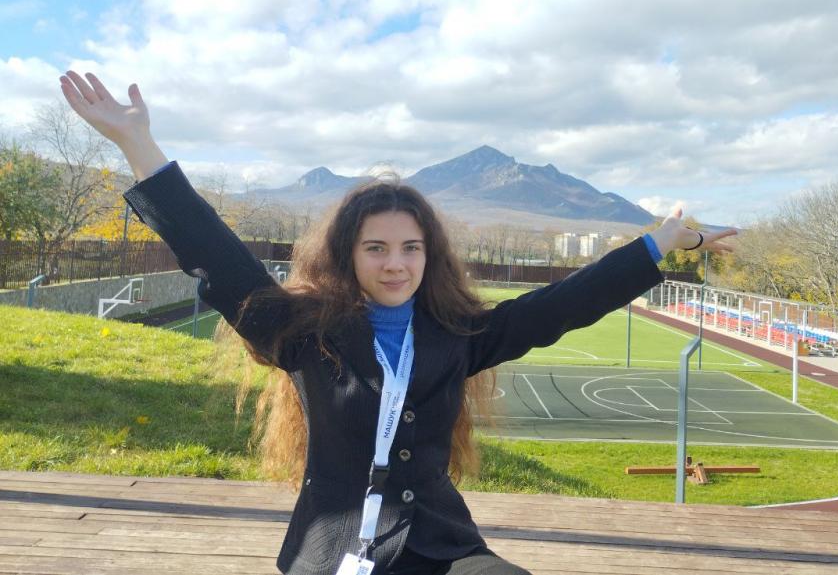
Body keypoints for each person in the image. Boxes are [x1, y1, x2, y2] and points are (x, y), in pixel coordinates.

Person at [59, 70, 736, 575]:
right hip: (334, 546)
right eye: (376, 248)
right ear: (348, 255)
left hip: (440, 544)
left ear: (428, 255)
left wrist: (659, 242)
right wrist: (138, 143)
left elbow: (560, 306)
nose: (395, 263)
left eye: (410, 248)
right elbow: (217, 255)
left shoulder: (458, 333)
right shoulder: (303, 332)